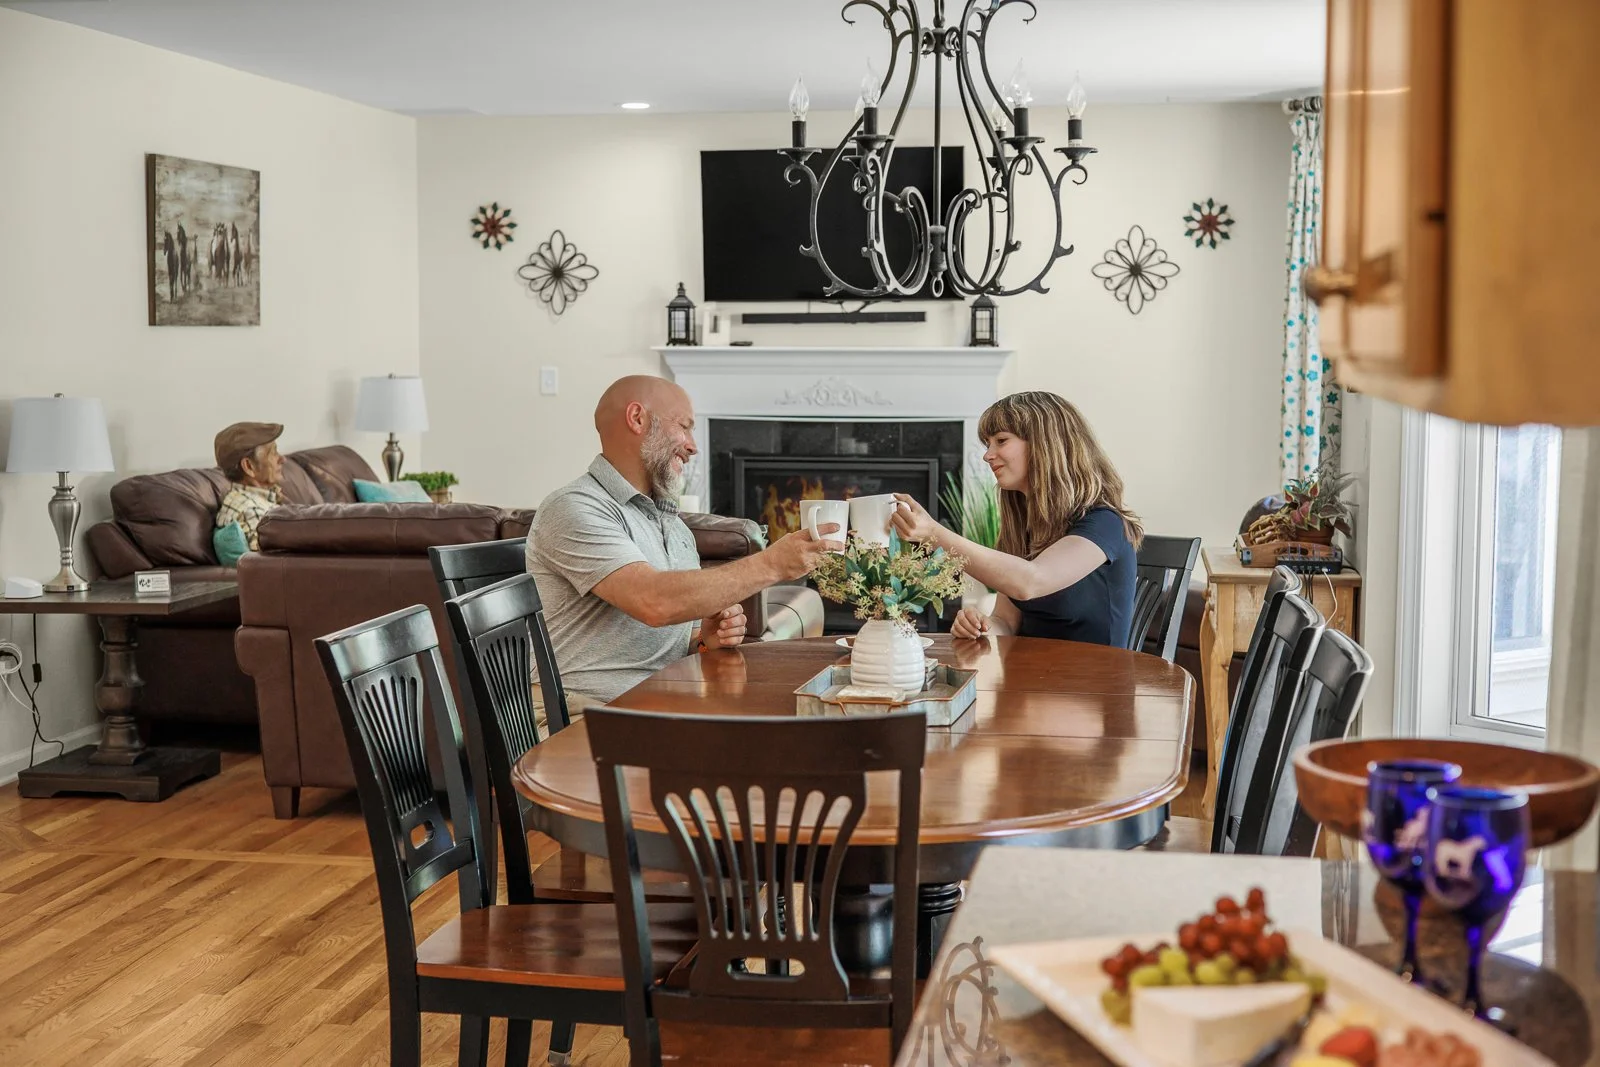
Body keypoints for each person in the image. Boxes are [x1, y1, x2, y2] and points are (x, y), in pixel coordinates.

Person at [529, 375, 842, 711]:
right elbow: (652, 602)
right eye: (684, 426)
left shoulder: (674, 527)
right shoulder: (574, 506)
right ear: (638, 418)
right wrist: (773, 564)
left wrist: (704, 638)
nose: (693, 446)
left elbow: (673, 633)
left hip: (658, 708)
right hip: (581, 711)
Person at [890, 391, 1144, 647]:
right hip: (1037, 677)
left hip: (1094, 682)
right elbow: (1007, 622)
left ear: (1046, 444)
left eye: (1001, 440)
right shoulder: (1027, 528)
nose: (988, 455)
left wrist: (934, 534)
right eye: (988, 444)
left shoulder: (1105, 523)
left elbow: (1031, 581)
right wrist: (981, 626)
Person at [214, 421, 286, 551]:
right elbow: (268, 563)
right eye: (273, 453)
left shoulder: (257, 502)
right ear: (249, 466)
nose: (282, 459)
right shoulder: (249, 510)